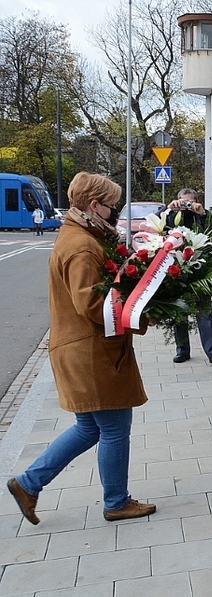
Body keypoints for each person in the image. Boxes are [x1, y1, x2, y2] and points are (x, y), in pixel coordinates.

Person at [6, 172, 156, 524]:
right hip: (91, 354)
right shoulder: (81, 245)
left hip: (80, 350)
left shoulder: (82, 235)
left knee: (90, 428)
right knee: (115, 428)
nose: (114, 211)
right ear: (94, 206)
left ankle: (29, 484)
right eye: (111, 205)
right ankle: (116, 502)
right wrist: (140, 309)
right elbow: (91, 303)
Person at [164, 188, 212, 364]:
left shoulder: (201, 215)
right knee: (179, 311)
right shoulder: (171, 215)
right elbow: (159, 228)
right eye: (183, 202)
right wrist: (169, 209)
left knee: (204, 310)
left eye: (190, 202)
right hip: (177, 268)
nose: (187, 206)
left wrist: (203, 213)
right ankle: (182, 350)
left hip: (199, 269)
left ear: (197, 201)